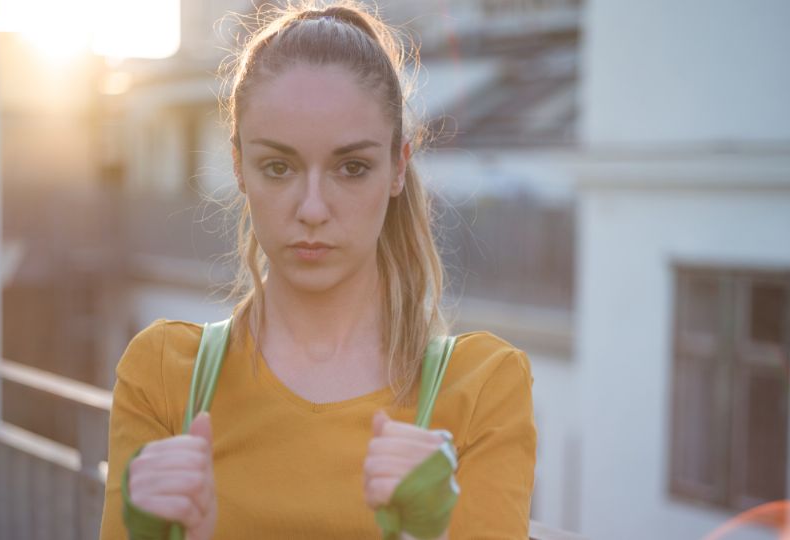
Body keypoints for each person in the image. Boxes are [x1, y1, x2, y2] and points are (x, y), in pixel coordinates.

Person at [99, 2, 537, 539]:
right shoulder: (163, 376)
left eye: (352, 168)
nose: (312, 208)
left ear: (398, 167)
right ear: (238, 166)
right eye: (278, 167)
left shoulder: (483, 388)